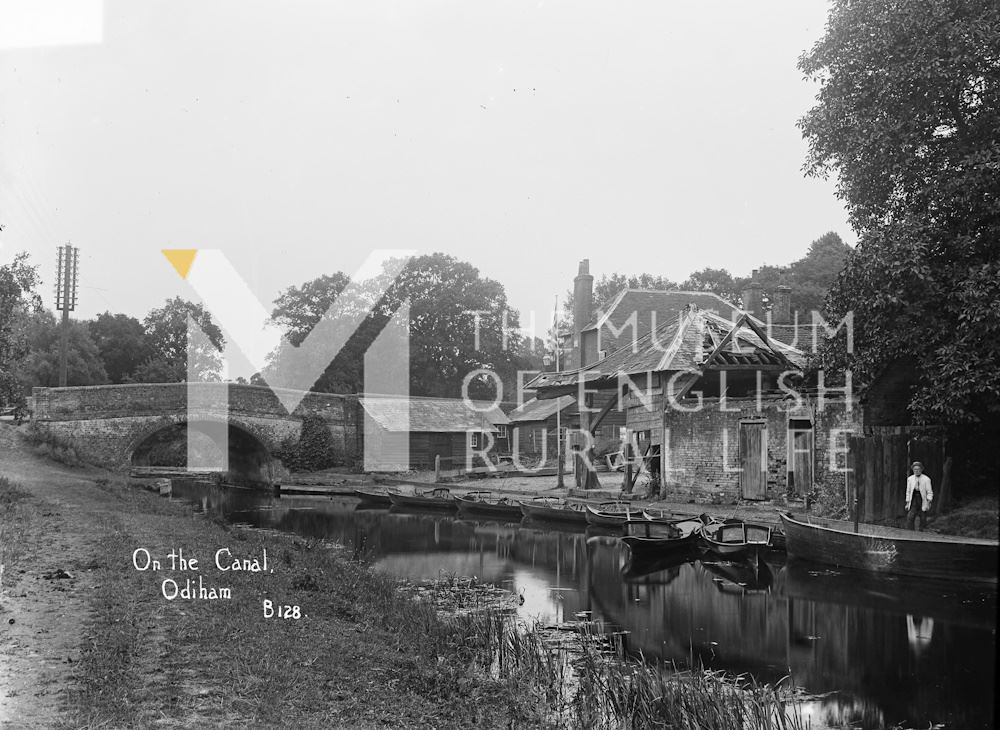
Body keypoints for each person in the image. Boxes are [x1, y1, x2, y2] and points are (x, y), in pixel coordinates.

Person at [905, 461, 933, 531]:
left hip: (922, 498)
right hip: (914, 497)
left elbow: (929, 492)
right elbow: (908, 491)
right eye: (915, 469)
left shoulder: (926, 479)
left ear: (921, 470)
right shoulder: (910, 479)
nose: (916, 471)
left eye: (918, 469)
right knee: (910, 516)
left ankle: (922, 531)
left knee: (923, 516)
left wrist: (929, 501)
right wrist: (907, 502)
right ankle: (910, 531)